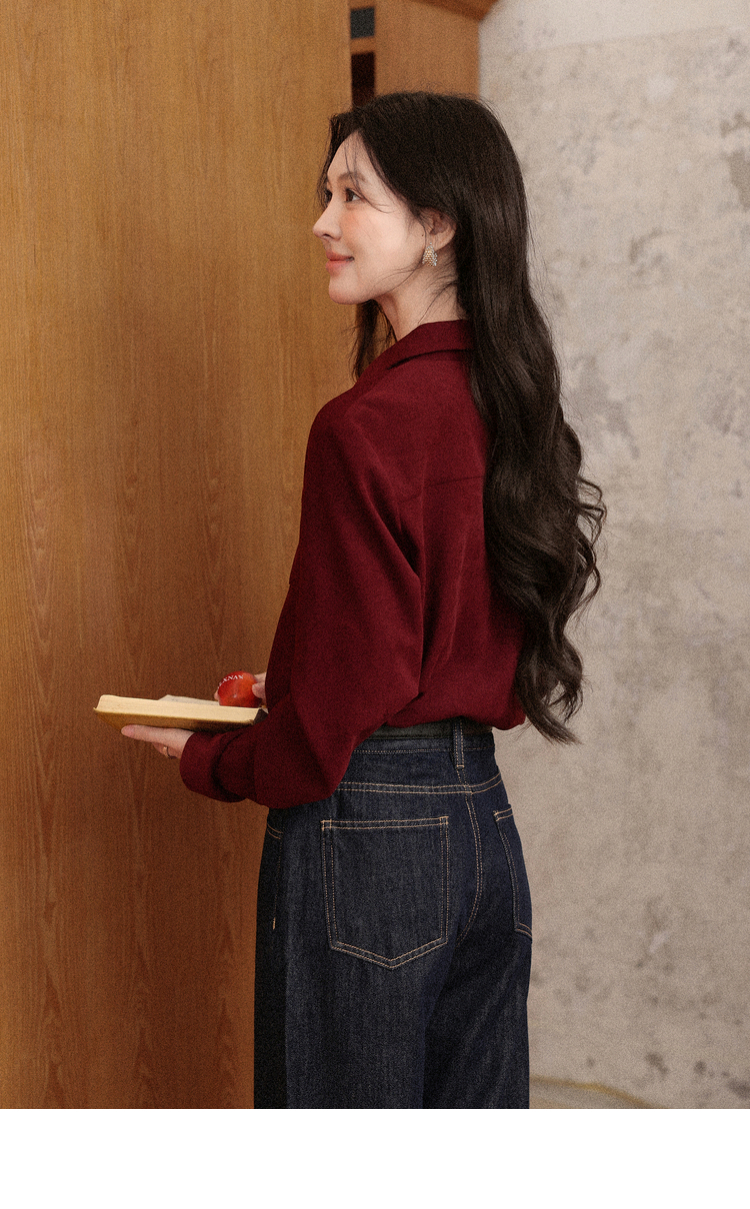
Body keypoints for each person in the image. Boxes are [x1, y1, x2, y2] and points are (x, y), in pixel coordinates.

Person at [122, 91, 604, 1108]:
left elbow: (340, 717)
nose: (322, 222)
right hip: (483, 827)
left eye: (353, 196)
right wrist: (298, 682)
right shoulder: (515, 405)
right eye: (327, 193)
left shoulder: (366, 423)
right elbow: (443, 641)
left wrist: (213, 757)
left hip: (367, 835)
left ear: (437, 225)